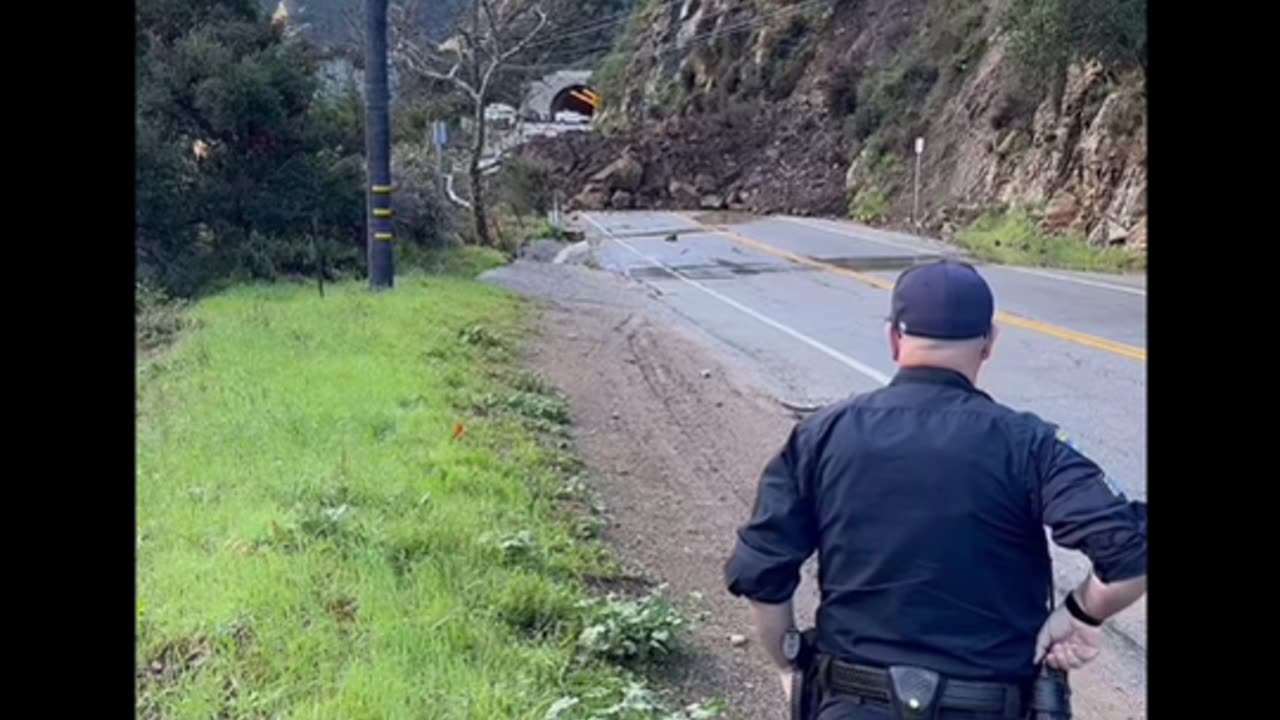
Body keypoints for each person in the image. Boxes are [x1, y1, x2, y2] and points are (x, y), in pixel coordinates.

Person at [723, 259, 1147, 719]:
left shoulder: (821, 436)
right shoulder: (1030, 445)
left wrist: (790, 663)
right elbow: (1129, 554)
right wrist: (1079, 614)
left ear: (894, 339)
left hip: (853, 703)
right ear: (988, 344)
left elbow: (762, 574)